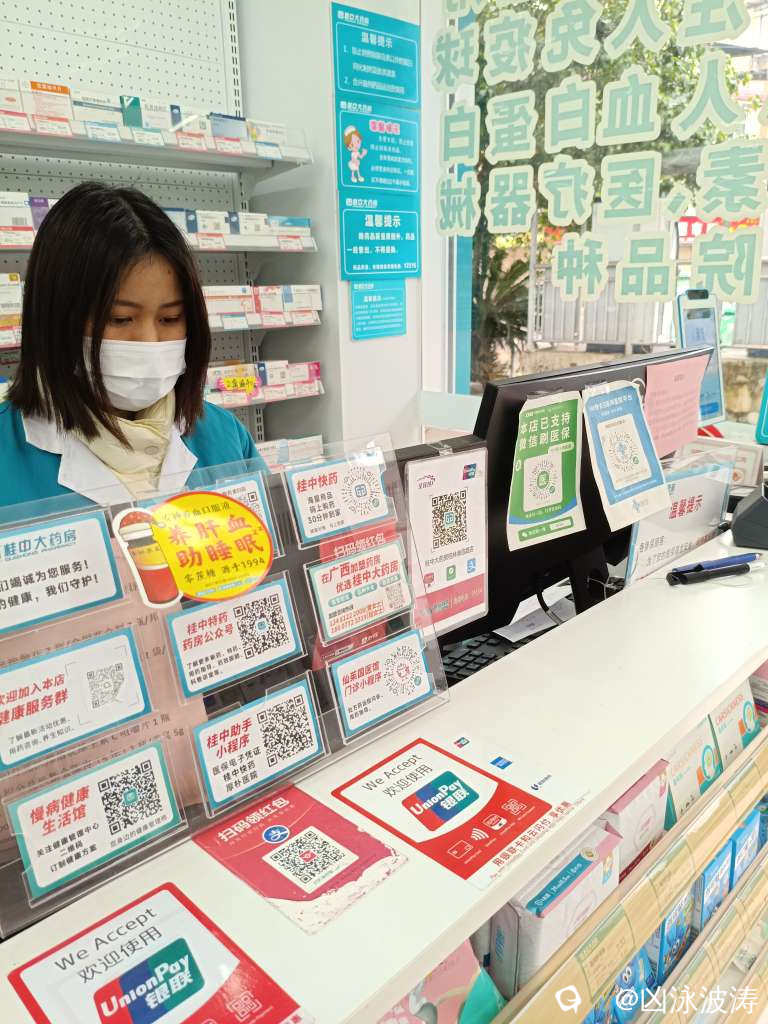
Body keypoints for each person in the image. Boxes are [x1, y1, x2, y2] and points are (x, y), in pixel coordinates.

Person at [0, 182, 266, 510]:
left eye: (170, 318)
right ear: (57, 317)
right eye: (121, 319)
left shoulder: (225, 437)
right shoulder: (7, 452)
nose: (149, 342)